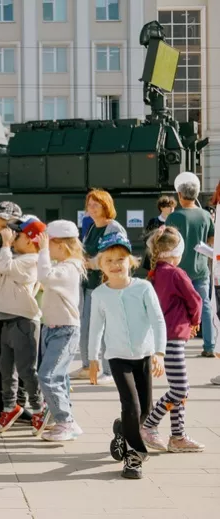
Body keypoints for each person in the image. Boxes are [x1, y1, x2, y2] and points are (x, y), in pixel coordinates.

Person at [88, 232, 166, 479]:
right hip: (117, 357)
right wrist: (93, 359)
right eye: (109, 260)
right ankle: (134, 457)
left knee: (144, 410)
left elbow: (157, 320)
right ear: (101, 265)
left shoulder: (143, 288)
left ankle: (122, 429)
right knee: (130, 405)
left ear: (130, 261)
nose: (115, 264)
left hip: (143, 355)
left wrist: (159, 353)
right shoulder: (99, 294)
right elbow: (96, 328)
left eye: (120, 259)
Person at [0, 215, 46, 433]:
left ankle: (39, 408)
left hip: (24, 321)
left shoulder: (32, 261)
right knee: (7, 369)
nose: (13, 237)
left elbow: (3, 266)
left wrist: (4, 244)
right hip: (7, 319)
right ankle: (9, 406)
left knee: (26, 370)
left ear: (31, 240)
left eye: (18, 235)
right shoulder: (14, 260)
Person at [140, 227, 205, 453]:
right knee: (180, 388)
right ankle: (149, 425)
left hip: (163, 336)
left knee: (180, 388)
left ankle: (178, 435)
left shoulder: (155, 273)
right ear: (177, 252)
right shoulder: (176, 274)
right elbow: (195, 300)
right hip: (174, 336)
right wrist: (195, 321)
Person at [35, 220, 86, 441]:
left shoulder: (69, 268)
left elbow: (44, 276)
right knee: (59, 377)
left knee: (48, 376)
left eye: (49, 243)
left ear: (61, 245)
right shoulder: (63, 266)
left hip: (64, 329)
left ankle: (66, 421)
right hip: (52, 327)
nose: (45, 247)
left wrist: (43, 251)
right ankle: (64, 419)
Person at [71, 189, 127, 383]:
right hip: (89, 285)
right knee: (86, 327)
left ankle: (109, 371)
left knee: (106, 329)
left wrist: (91, 263)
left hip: (106, 286)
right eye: (90, 204)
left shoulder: (114, 228)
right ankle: (88, 366)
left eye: (96, 204)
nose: (92, 208)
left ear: (106, 206)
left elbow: (116, 256)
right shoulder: (91, 227)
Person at [165, 172, 216, 358]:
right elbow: (211, 239)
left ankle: (178, 343)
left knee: (177, 307)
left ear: (179, 195)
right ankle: (210, 346)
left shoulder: (174, 217)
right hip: (201, 269)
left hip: (179, 271)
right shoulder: (205, 215)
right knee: (206, 306)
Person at [141, 196, 178, 271]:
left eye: (173, 206)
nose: (171, 208)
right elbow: (147, 239)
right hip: (154, 260)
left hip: (170, 260)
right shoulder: (153, 221)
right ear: (161, 208)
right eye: (168, 206)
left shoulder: (175, 222)